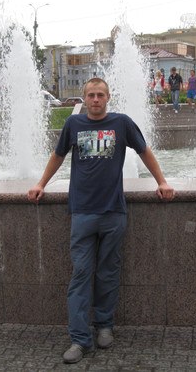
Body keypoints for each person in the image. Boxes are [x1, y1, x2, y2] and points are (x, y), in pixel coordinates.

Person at [27, 77, 175, 364]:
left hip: (113, 213)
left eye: (100, 95)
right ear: (84, 99)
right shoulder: (74, 124)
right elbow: (58, 156)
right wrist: (40, 184)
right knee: (81, 274)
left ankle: (105, 325)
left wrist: (162, 181)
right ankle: (79, 339)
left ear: (108, 97)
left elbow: (144, 151)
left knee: (108, 272)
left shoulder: (122, 123)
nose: (95, 100)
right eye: (91, 95)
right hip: (82, 213)